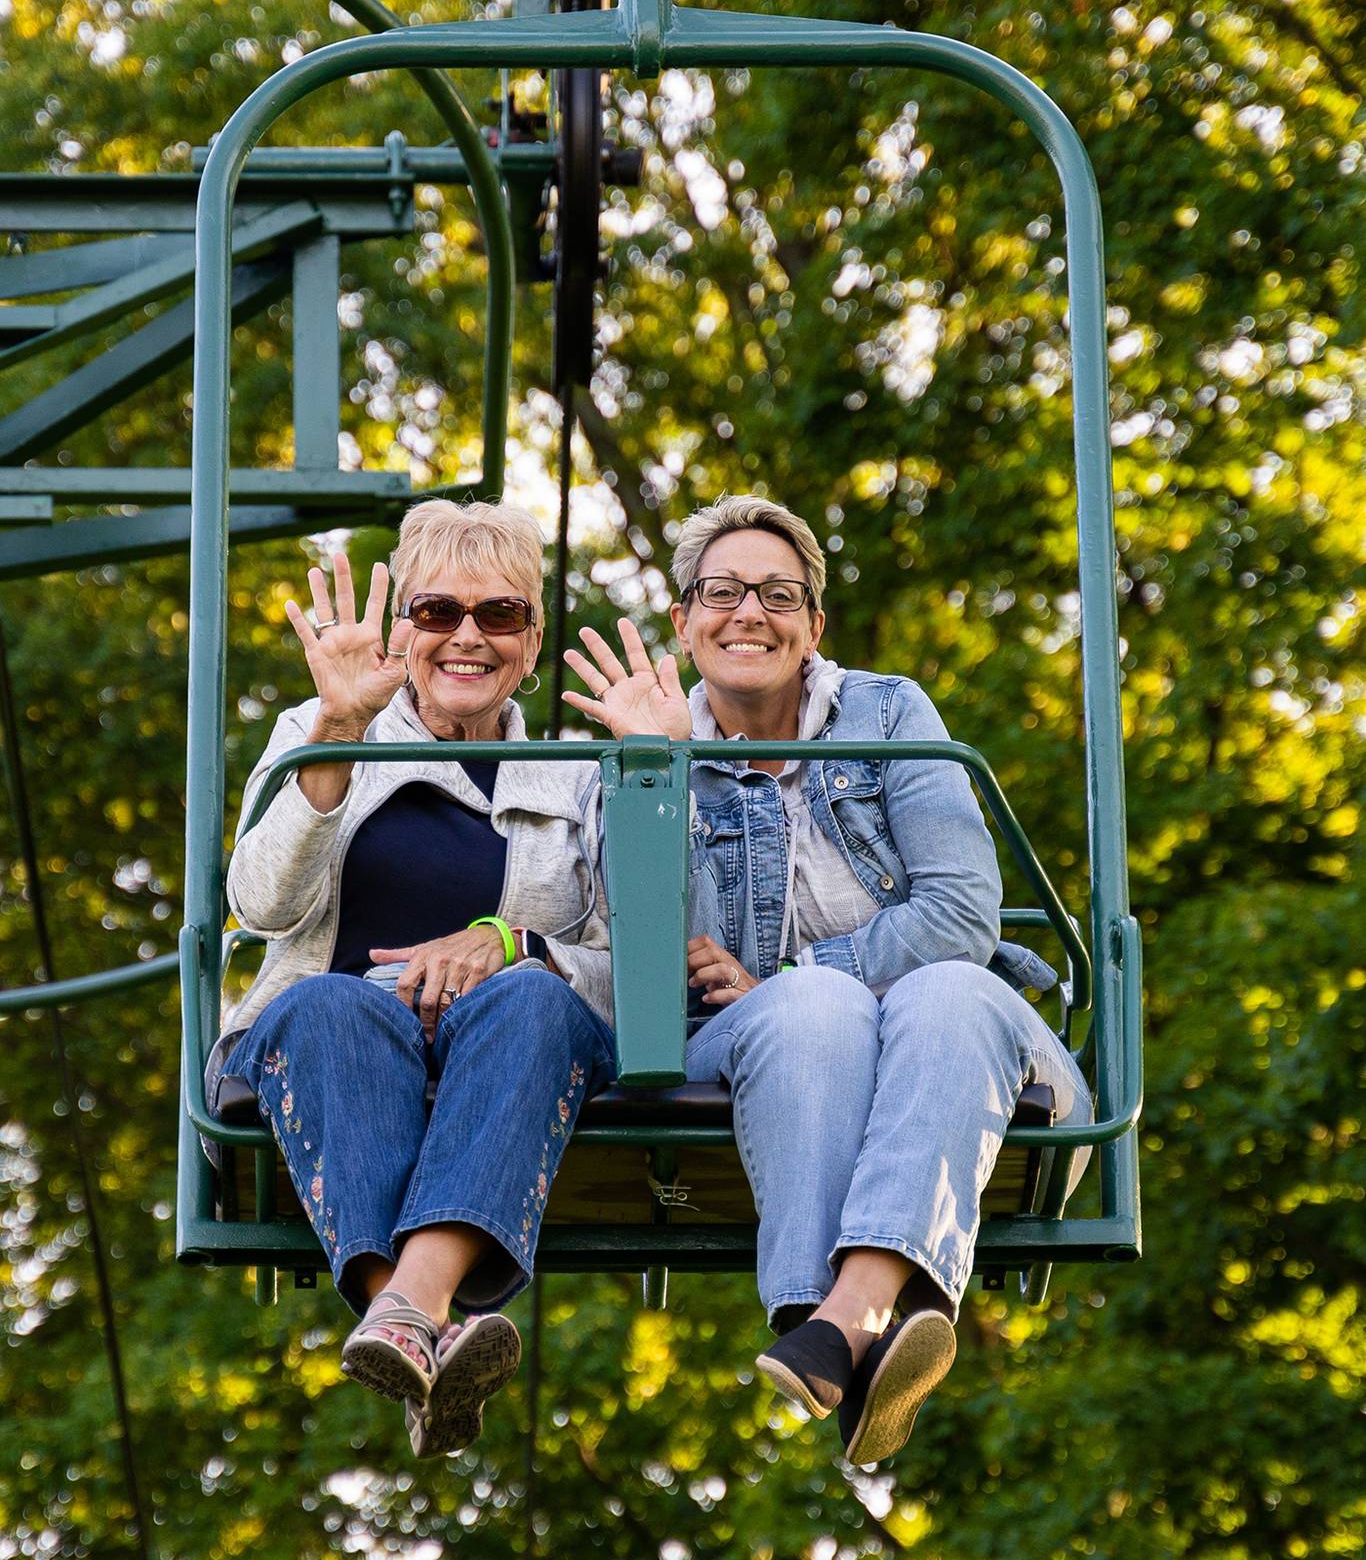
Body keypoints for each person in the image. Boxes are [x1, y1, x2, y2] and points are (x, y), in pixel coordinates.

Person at [563, 495, 1092, 1468]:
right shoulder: (641, 744)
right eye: (721, 592)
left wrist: (787, 970)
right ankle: (871, 1317)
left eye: (777, 593)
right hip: (750, 1052)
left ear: (813, 624)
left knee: (944, 987)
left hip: (952, 1043)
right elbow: (652, 963)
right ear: (683, 620)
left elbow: (961, 916)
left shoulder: (889, 713)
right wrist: (661, 773)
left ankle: (836, 1325)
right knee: (817, 1006)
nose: (748, 613)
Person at [210, 500, 616, 1458]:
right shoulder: (321, 731)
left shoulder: (579, 775)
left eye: (500, 616)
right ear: (402, 629)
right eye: (437, 612)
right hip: (338, 1033)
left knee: (530, 997)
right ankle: (423, 1314)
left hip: (507, 1039)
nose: (467, 638)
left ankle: (401, 1318)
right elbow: (261, 903)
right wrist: (336, 740)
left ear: (533, 639)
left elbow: (636, 965)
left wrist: (515, 944)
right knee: (326, 1004)